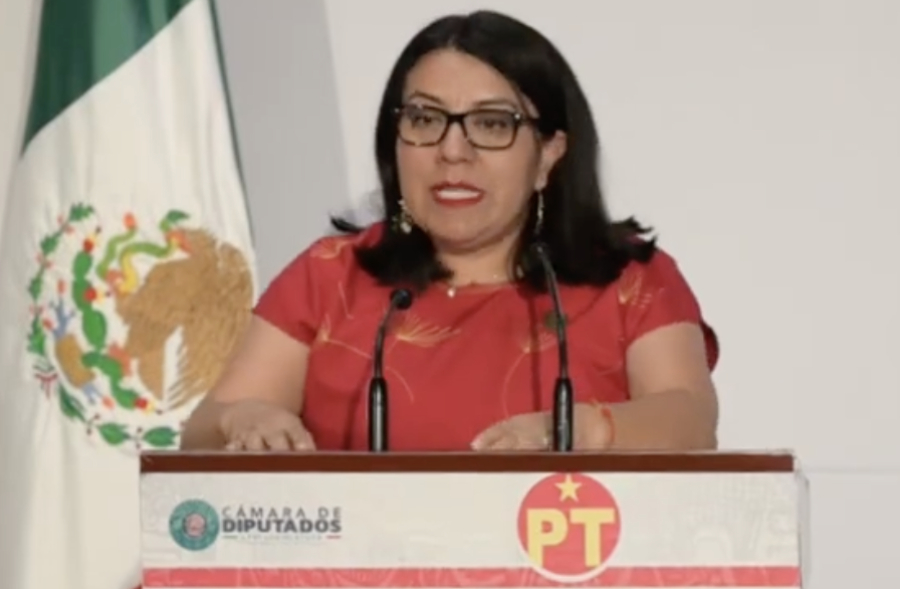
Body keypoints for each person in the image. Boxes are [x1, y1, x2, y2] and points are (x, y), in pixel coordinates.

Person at [181, 10, 720, 453]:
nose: (452, 151)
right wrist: (242, 419)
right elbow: (204, 430)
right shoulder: (332, 276)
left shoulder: (628, 279)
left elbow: (690, 421)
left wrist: (581, 429)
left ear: (548, 154)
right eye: (425, 119)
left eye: (492, 123)